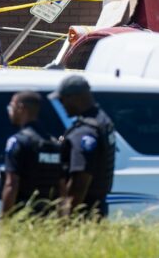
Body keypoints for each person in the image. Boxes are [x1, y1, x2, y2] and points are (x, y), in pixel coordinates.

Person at [54, 74, 116, 219]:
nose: (62, 105)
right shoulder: (103, 120)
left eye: (62, 100)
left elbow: (80, 182)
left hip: (83, 213)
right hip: (97, 208)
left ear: (74, 98)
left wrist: (66, 219)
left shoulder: (85, 131)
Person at [0, 91, 64, 217]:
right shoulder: (54, 144)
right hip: (50, 217)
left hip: (25, 215)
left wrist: (4, 221)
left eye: (11, 106)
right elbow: (62, 186)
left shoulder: (18, 142)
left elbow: (11, 184)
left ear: (21, 108)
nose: (9, 111)